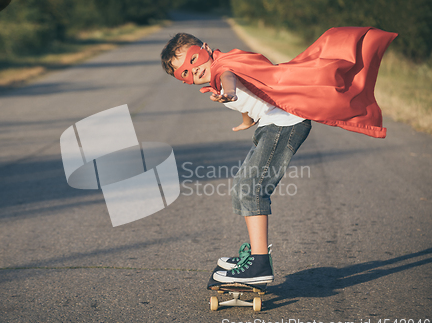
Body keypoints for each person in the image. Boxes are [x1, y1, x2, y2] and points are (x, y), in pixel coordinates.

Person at [160, 27, 396, 285]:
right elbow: (248, 88)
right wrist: (246, 118)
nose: (193, 70)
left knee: (250, 188)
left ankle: (259, 264)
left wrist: (229, 92)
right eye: (185, 73)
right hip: (274, 124)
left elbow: (230, 79)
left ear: (204, 48)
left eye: (193, 59)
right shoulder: (227, 60)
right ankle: (254, 255)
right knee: (242, 187)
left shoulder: (221, 70)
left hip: (283, 124)